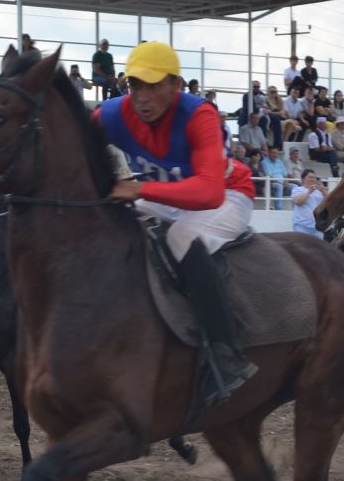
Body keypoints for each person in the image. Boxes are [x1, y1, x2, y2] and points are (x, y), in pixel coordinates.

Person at [99, 42, 257, 405]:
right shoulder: (113, 114)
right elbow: (71, 138)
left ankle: (228, 353)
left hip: (230, 194)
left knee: (183, 236)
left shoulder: (198, 114)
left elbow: (208, 192)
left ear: (176, 84)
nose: (142, 96)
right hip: (170, 196)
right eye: (135, 85)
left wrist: (135, 187)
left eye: (153, 85)